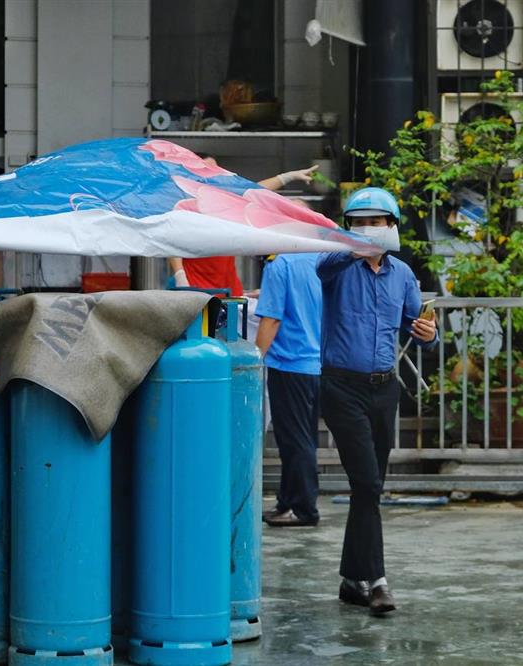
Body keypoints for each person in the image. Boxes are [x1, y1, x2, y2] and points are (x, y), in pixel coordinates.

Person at [317, 187, 437, 616]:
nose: (368, 228)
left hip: (384, 388)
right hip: (340, 386)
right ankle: (379, 582)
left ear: (393, 226)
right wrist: (352, 247)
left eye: (377, 222)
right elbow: (322, 267)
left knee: (368, 489)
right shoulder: (336, 264)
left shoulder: (402, 274)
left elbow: (414, 323)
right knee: (367, 482)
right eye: (359, 222)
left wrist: (428, 333)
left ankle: (353, 579)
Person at [168, 153, 318, 293]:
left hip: (228, 291)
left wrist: (288, 177)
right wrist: (181, 277)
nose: (214, 173)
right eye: (208, 169)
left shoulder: (222, 201)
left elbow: (255, 191)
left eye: (216, 169)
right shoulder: (186, 205)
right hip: (196, 289)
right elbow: (173, 242)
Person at [255, 252, 323, 527]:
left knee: (293, 440)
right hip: (318, 363)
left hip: (289, 363)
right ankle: (287, 501)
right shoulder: (320, 259)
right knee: (304, 438)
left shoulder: (279, 265)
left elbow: (272, 319)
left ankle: (303, 508)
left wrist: (254, 359)